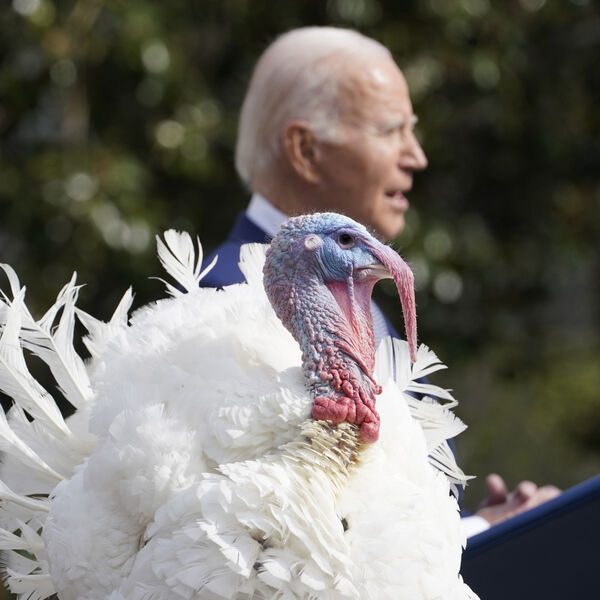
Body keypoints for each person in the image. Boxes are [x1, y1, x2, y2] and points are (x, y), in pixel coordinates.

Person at [200, 26, 560, 537]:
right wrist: (479, 533)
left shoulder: (345, 285)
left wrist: (485, 528)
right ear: (305, 149)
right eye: (391, 131)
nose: (417, 157)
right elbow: (277, 544)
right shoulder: (226, 301)